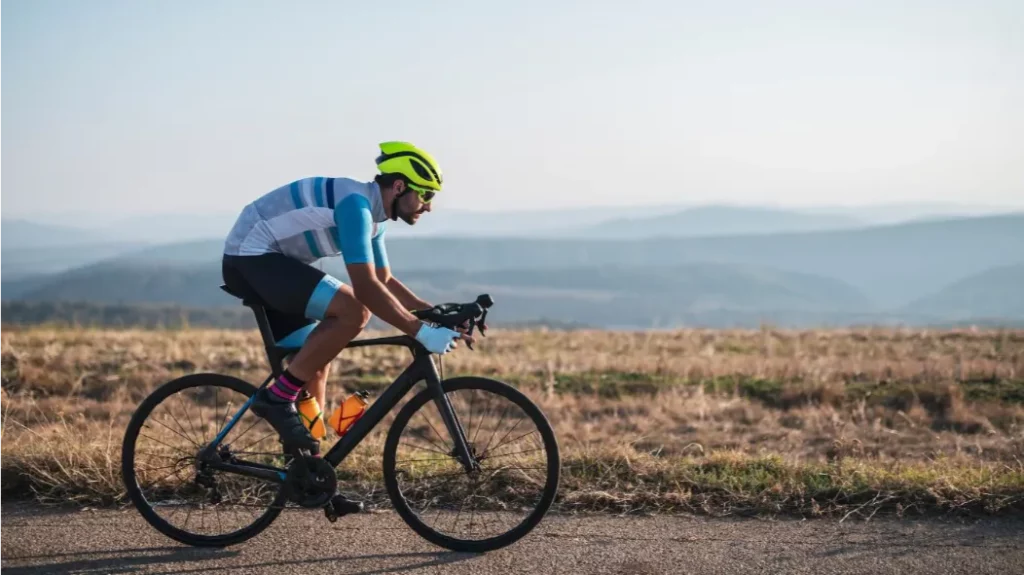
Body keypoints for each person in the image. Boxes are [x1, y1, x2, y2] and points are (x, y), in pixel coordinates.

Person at [221, 141, 471, 454]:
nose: (429, 206)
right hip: (250, 258)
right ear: (399, 186)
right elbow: (366, 288)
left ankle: (308, 470)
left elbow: (384, 280)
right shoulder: (356, 207)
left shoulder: (374, 219)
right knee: (355, 310)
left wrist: (433, 314)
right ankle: (276, 398)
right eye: (426, 194)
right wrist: (419, 331)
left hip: (275, 265)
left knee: (313, 363)